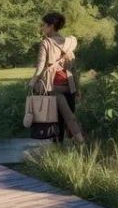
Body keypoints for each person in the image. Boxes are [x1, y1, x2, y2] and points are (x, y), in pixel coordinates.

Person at [30, 12, 84, 143]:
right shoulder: (69, 43)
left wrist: (32, 82)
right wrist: (77, 89)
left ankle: (80, 143)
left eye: (44, 25)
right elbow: (74, 70)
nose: (42, 28)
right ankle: (75, 145)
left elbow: (40, 66)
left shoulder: (46, 43)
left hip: (53, 87)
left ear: (51, 26)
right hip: (70, 86)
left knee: (60, 120)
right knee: (67, 118)